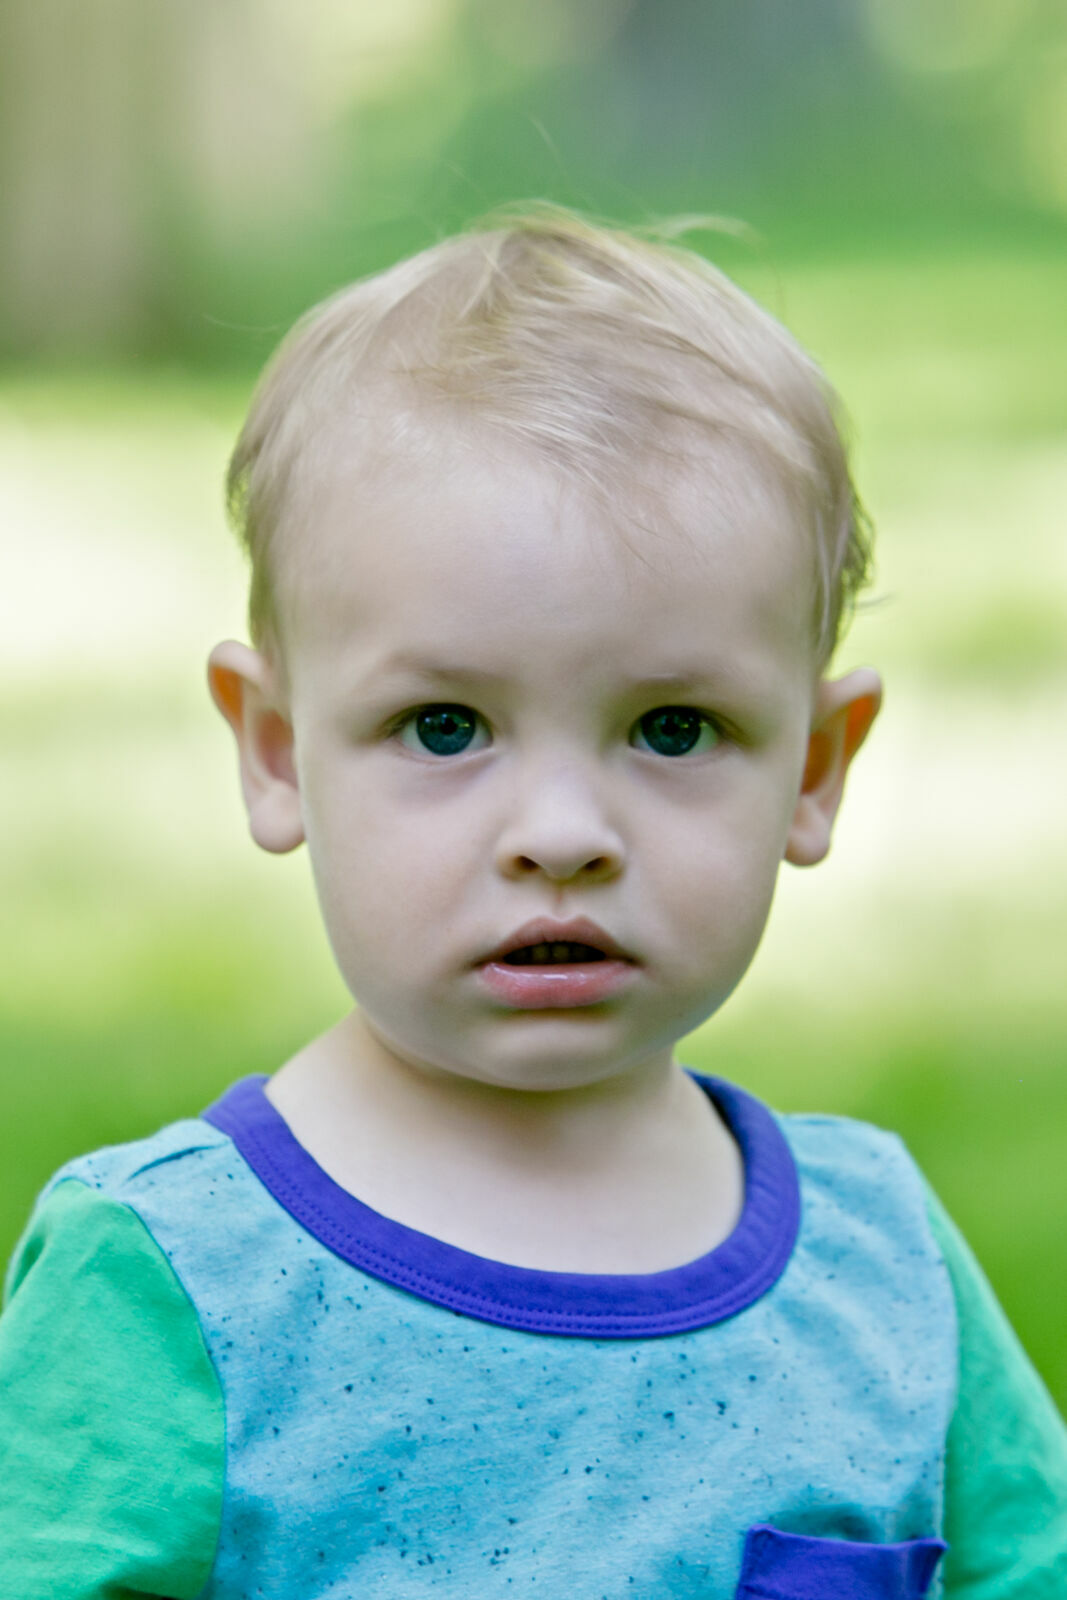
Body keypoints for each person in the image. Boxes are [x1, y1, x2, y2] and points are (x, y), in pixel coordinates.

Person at [1, 207, 1064, 1600]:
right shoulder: (174, 1281)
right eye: (446, 728)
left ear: (813, 771)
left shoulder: (885, 1270)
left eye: (673, 731)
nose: (563, 835)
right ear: (275, 752)